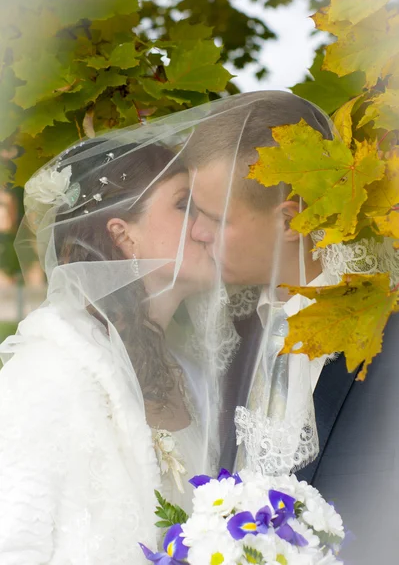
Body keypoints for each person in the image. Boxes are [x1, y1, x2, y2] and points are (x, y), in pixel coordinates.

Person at [0, 128, 239, 564]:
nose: (208, 227)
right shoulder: (45, 374)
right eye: (185, 206)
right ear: (123, 235)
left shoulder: (193, 373)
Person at [185, 90, 399, 563]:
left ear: (291, 219)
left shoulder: (388, 338)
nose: (196, 233)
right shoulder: (227, 333)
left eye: (214, 218)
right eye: (192, 210)